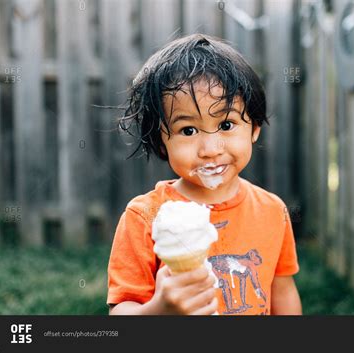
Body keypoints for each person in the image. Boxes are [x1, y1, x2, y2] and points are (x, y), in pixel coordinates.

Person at [107, 33, 302, 315]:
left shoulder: (273, 211)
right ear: (163, 141)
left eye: (226, 124)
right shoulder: (144, 217)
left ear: (255, 128)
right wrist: (159, 311)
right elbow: (121, 310)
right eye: (188, 130)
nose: (210, 149)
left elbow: (282, 290)